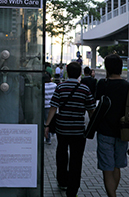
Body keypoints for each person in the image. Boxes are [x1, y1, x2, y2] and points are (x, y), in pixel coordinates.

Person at [44, 62, 96, 197]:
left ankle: (62, 181)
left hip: (62, 129)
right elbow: (91, 110)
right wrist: (93, 126)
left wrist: (47, 125)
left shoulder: (60, 87)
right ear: (79, 73)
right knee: (76, 160)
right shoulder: (85, 89)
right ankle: (72, 191)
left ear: (67, 72)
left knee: (61, 155)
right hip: (78, 130)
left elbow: (53, 107)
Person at [95, 54, 129, 197]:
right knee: (116, 166)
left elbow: (96, 104)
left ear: (107, 68)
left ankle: (112, 196)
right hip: (123, 132)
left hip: (105, 131)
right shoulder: (127, 86)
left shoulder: (103, 84)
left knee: (107, 168)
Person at [44, 72, 57, 144]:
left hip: (45, 106)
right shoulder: (54, 85)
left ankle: (47, 138)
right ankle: (51, 133)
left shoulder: (42, 86)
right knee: (51, 120)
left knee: (46, 122)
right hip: (52, 106)